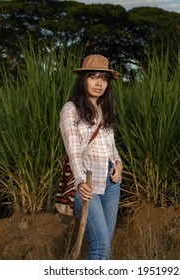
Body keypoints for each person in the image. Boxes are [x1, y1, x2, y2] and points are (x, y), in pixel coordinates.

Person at [59, 54, 123, 260]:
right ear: (83, 79)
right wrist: (79, 182)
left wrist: (119, 164)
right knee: (101, 244)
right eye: (93, 77)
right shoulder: (71, 109)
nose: (99, 83)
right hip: (87, 183)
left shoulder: (106, 109)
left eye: (104, 78)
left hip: (112, 183)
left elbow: (111, 147)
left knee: (106, 242)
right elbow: (74, 151)